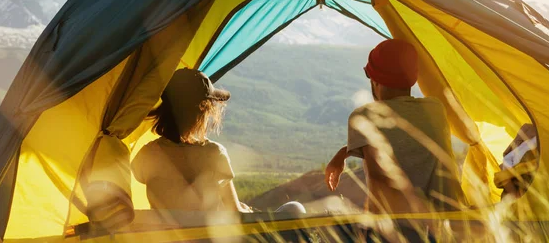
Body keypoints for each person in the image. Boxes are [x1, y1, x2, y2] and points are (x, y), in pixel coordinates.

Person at [132, 68, 305, 215]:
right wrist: (248, 210)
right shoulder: (214, 153)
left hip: (163, 238)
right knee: (295, 208)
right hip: (205, 239)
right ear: (204, 111)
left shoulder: (147, 154)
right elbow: (234, 211)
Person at [324, 39, 464, 214]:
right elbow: (405, 137)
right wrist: (345, 151)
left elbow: (378, 185)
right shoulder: (435, 109)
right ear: (412, 79)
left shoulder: (365, 116)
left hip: (400, 228)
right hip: (450, 222)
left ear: (374, 81)